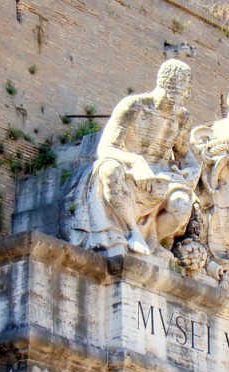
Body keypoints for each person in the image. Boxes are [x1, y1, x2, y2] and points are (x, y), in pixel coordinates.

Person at [63, 59, 200, 257]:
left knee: (181, 205)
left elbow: (186, 156)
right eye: (183, 86)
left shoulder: (182, 118)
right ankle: (132, 232)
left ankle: (154, 242)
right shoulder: (134, 106)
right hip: (131, 170)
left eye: (188, 87)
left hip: (163, 176)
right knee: (109, 169)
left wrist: (193, 171)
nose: (187, 93)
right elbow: (106, 148)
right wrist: (136, 162)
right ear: (167, 82)